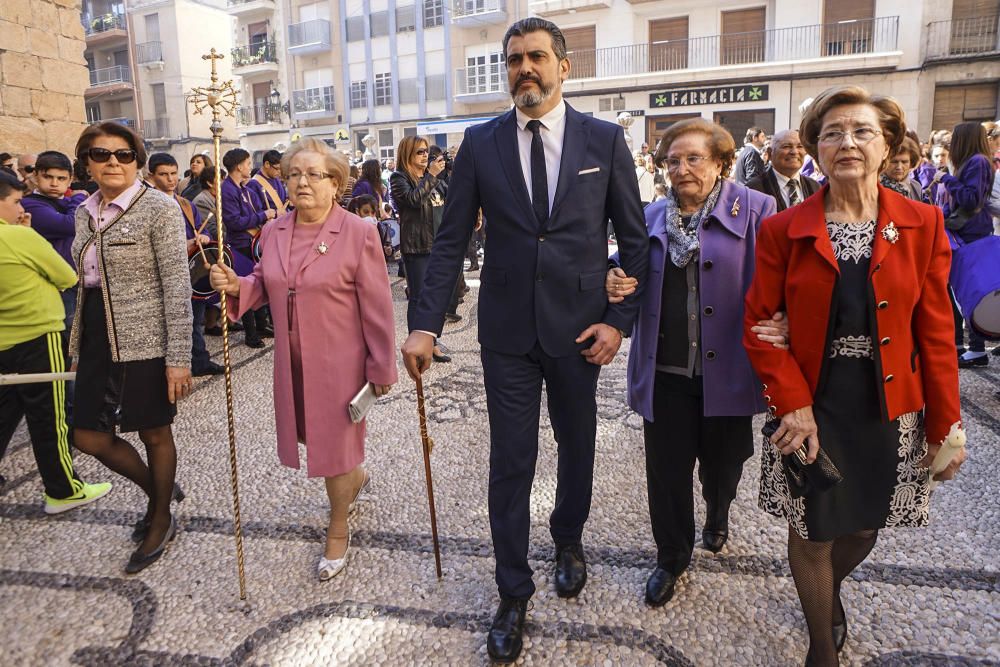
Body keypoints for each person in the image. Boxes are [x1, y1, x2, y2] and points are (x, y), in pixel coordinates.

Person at [400, 18, 649, 664]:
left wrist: (619, 322)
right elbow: (451, 239)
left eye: (537, 57)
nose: (524, 69)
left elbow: (637, 240)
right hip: (507, 332)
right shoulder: (480, 144)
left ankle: (568, 537)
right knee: (511, 458)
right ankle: (513, 588)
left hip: (579, 329)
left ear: (564, 67)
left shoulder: (605, 139)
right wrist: (425, 323)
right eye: (514, 60)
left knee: (577, 443)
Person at [742, 85, 966, 666]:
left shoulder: (923, 223)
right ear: (815, 147)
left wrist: (947, 424)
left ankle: (826, 592)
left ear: (887, 142)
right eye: (832, 133)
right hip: (811, 401)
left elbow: (938, 332)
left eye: (862, 131)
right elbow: (759, 326)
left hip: (889, 403)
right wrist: (790, 402)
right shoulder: (782, 230)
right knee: (814, 529)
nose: (847, 143)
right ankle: (822, 644)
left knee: (865, 526)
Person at [605, 118, 780, 607]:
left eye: (693, 158)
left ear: (722, 162)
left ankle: (719, 507)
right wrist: (614, 274)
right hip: (664, 372)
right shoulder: (651, 216)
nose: (681, 169)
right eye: (672, 161)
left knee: (725, 464)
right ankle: (671, 557)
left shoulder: (757, 211)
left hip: (728, 373)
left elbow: (782, 279)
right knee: (666, 472)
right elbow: (623, 265)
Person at [209, 138, 397, 581]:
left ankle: (337, 523)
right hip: (291, 358)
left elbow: (378, 304)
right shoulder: (274, 231)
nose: (302, 182)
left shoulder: (357, 232)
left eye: (314, 174)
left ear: (335, 183)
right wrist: (238, 286)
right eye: (294, 174)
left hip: (340, 361)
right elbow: (266, 281)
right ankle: (354, 477)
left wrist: (382, 365)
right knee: (316, 437)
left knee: (331, 449)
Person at [68, 121, 193, 574]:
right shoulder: (84, 212)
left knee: (154, 431)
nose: (113, 163)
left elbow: (177, 288)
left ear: (137, 160)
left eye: (123, 154)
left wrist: (178, 358)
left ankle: (160, 517)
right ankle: (160, 489)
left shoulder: (158, 208)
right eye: (101, 155)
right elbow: (85, 285)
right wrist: (78, 342)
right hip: (99, 336)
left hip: (147, 337)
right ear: (87, 163)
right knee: (87, 435)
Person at [0, 170, 113, 514]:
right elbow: (67, 275)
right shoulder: (19, 237)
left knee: (4, 416)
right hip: (37, 334)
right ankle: (63, 490)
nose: (21, 209)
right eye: (16, 201)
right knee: (49, 418)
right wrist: (26, 236)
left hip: (4, 340)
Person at [147, 153, 223, 377]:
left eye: (173, 174)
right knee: (171, 323)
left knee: (196, 317)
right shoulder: (148, 205)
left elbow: (203, 228)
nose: (170, 179)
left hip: (192, 266)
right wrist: (184, 242)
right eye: (163, 174)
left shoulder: (185, 203)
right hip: (163, 273)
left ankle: (199, 360)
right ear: (151, 176)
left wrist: (204, 238)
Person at [931, 122, 995, 367]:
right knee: (966, 290)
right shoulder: (977, 161)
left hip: (971, 236)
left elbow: (970, 199)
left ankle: (977, 348)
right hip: (969, 234)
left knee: (970, 290)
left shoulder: (977, 161)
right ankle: (972, 347)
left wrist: (946, 178)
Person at [390, 136, 454, 361]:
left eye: (426, 151)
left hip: (439, 245)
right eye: (419, 152)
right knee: (418, 298)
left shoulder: (433, 177)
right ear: (407, 154)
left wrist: (445, 173)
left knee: (438, 297)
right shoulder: (399, 178)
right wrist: (432, 175)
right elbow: (413, 200)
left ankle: (432, 341)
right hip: (417, 246)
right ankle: (416, 345)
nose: (425, 155)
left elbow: (450, 199)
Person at [21, 151, 88, 330]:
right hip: (54, 284)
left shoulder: (66, 202)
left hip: (76, 280)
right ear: (35, 175)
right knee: (64, 336)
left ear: (69, 179)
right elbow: (70, 224)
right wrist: (78, 198)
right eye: (48, 177)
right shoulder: (31, 204)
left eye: (61, 178)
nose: (54, 183)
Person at [221, 148, 276, 348]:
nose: (250, 167)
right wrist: (263, 216)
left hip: (252, 243)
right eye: (247, 163)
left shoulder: (244, 188)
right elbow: (234, 221)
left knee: (258, 283)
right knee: (245, 287)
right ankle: (250, 333)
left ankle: (262, 325)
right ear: (238, 166)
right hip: (240, 245)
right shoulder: (227, 189)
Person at [746, 129, 821, 212]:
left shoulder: (815, 187)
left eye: (800, 146)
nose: (794, 152)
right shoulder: (753, 190)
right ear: (770, 153)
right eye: (786, 146)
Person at [248, 150, 289, 215]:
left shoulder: (276, 179)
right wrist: (275, 213)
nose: (279, 172)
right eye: (277, 168)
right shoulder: (253, 184)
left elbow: (283, 202)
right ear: (267, 164)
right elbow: (254, 212)